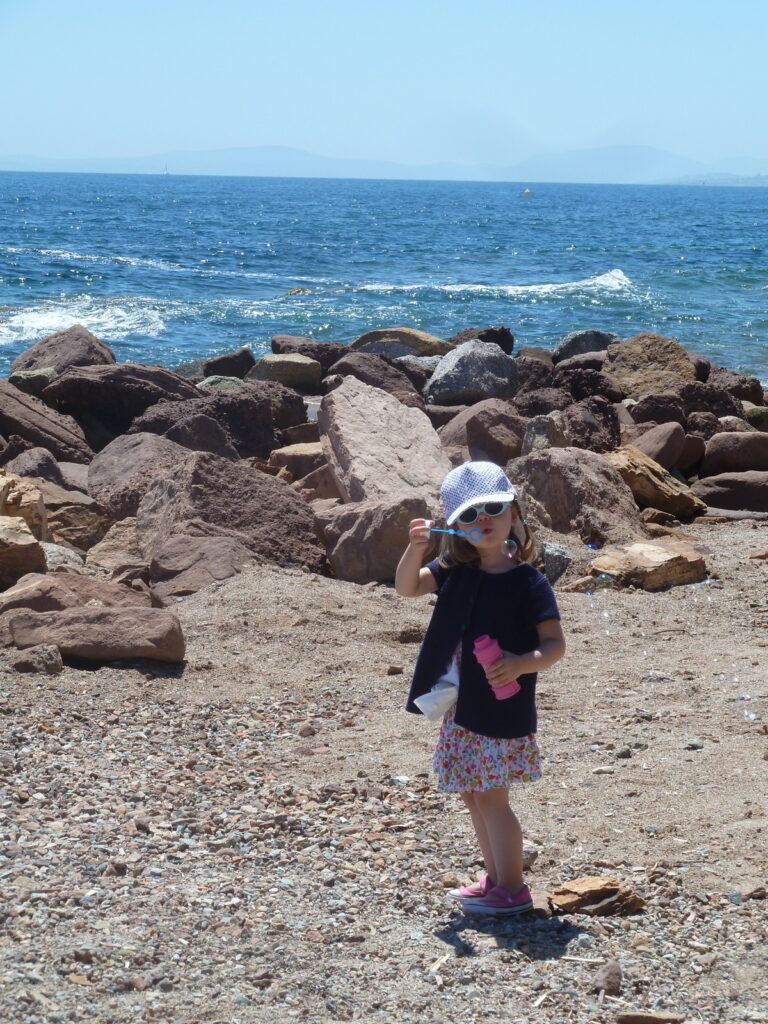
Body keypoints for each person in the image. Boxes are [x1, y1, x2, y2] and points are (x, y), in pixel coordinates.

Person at [395, 461, 565, 916]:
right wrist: (415, 549)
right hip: (464, 706)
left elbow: (554, 646)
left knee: (492, 798)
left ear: (514, 511)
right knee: (473, 794)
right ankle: (494, 880)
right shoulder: (455, 570)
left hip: (502, 708)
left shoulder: (528, 581)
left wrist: (518, 664)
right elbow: (408, 588)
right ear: (455, 528)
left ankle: (513, 888)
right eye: (469, 516)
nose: (483, 521)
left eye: (492, 508)